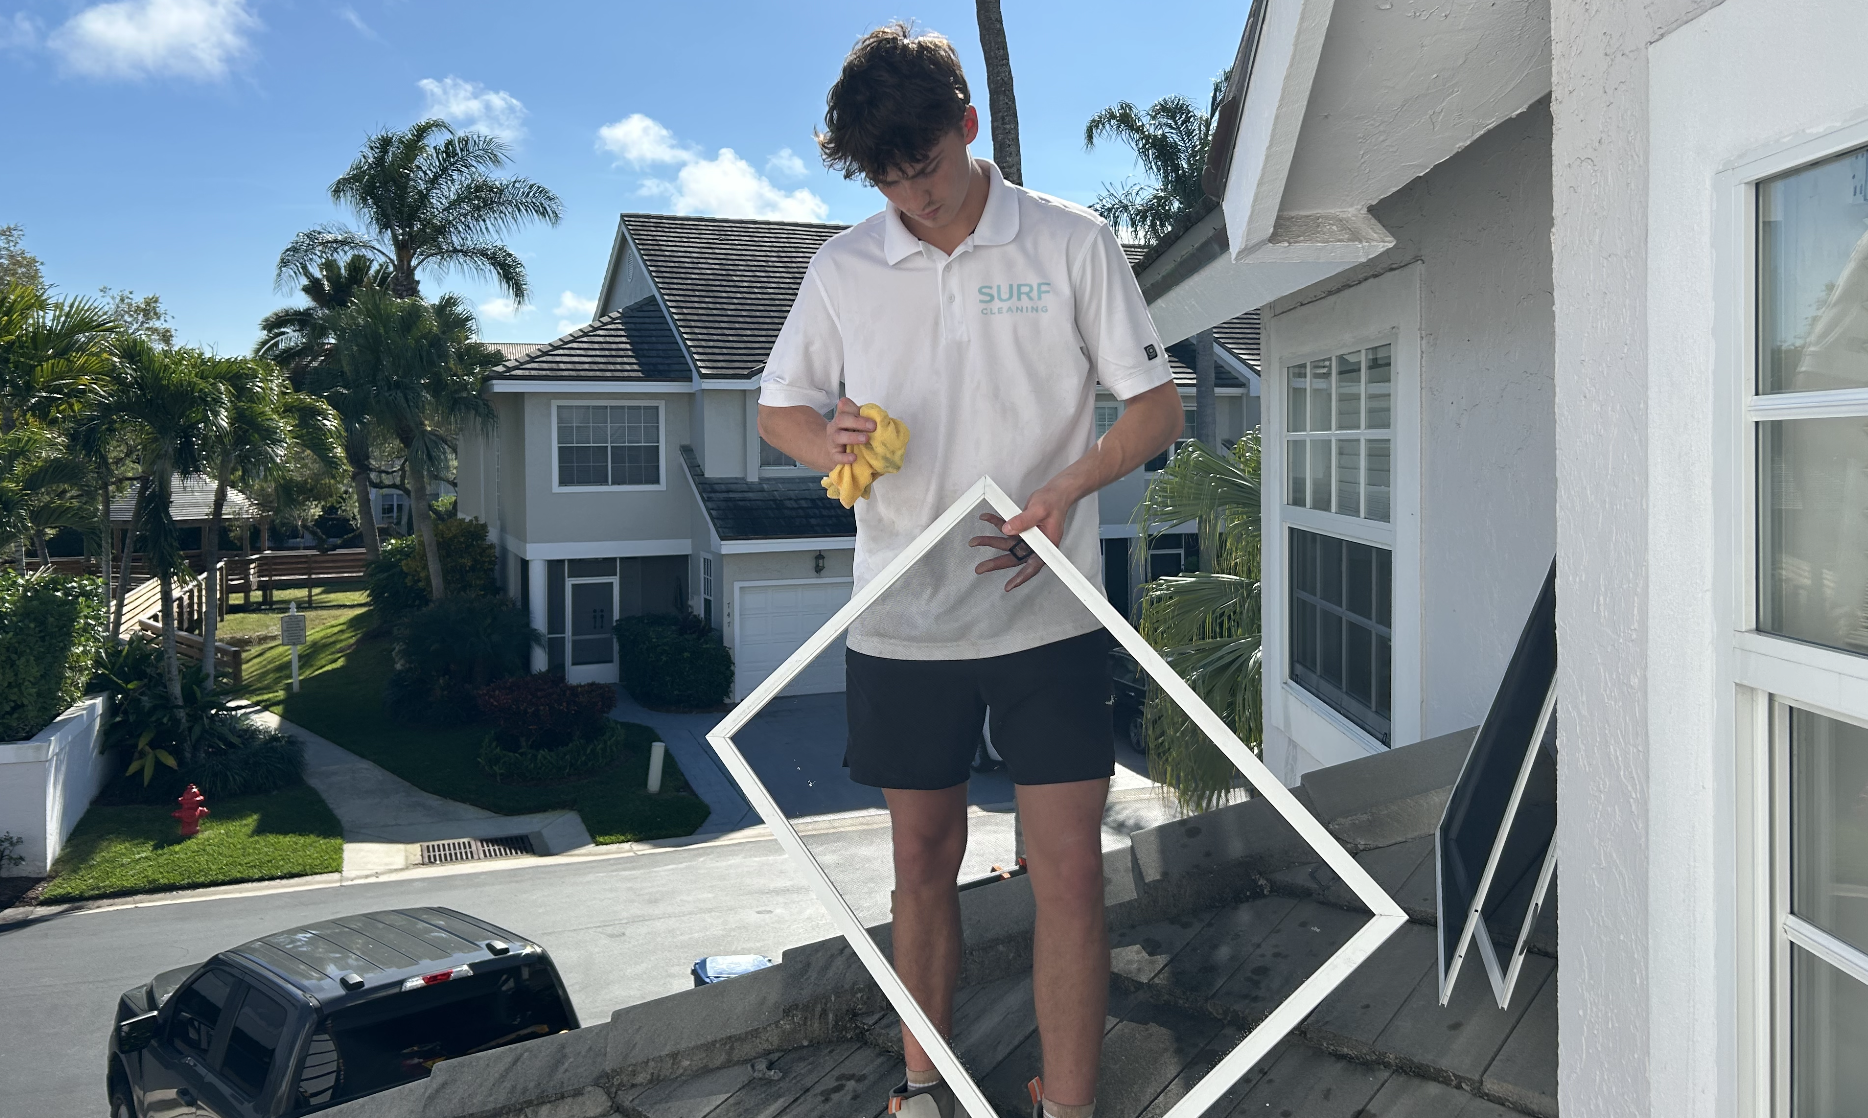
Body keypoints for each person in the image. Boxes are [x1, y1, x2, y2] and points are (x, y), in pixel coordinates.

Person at [757, 23, 1184, 1118]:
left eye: (929, 170)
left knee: (1071, 872)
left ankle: (1067, 1105)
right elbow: (778, 409)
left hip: (1046, 606)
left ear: (967, 125)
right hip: (901, 618)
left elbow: (1155, 406)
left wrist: (1068, 486)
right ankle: (920, 1087)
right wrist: (830, 444)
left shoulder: (1069, 241)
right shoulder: (843, 265)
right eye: (890, 184)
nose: (918, 200)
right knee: (921, 862)